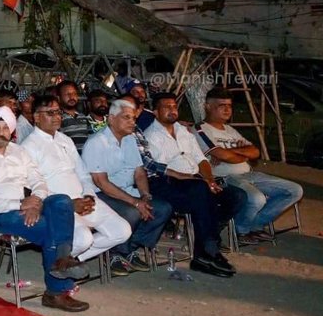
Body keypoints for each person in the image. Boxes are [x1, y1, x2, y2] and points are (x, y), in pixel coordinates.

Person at [0, 108, 90, 312]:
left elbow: (38, 180)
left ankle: (61, 260)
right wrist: (21, 204)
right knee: (49, 228)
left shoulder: (19, 151)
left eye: (5, 127)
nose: (0, 132)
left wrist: (36, 201)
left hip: (27, 204)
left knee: (62, 201)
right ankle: (56, 290)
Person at [21, 95, 131, 272]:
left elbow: (82, 173)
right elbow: (34, 187)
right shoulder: (28, 147)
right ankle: (62, 263)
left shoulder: (65, 140)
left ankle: (67, 261)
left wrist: (88, 195)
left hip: (83, 199)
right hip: (60, 207)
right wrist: (70, 205)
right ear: (36, 117)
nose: (57, 116)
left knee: (122, 231)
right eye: (50, 112)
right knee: (84, 239)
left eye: (58, 112)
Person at [144, 93, 246, 277]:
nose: (172, 110)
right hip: (168, 184)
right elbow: (162, 170)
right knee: (201, 193)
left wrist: (209, 180)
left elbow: (201, 159)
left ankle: (206, 242)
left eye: (174, 107)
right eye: (166, 107)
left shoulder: (183, 131)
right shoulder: (150, 136)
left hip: (196, 181)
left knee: (236, 196)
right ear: (155, 112)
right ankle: (208, 251)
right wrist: (200, 182)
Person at [198, 86, 303, 242]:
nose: (227, 109)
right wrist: (238, 152)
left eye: (229, 106)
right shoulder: (200, 130)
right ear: (208, 106)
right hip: (226, 177)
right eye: (222, 106)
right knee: (256, 198)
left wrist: (232, 152)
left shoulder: (230, 130)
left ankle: (254, 225)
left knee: (294, 190)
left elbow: (255, 152)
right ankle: (242, 230)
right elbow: (225, 156)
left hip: (249, 174)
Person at [81, 99, 173, 273]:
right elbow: (101, 182)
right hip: (102, 194)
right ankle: (115, 252)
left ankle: (130, 247)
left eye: (133, 118)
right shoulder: (97, 142)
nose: (133, 122)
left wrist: (145, 196)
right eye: (127, 118)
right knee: (133, 211)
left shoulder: (129, 140)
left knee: (162, 209)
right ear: (111, 119)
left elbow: (139, 172)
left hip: (127, 192)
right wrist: (135, 202)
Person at [55, 80, 93, 153]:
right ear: (59, 98)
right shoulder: (57, 118)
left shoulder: (83, 117)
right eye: (67, 94)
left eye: (74, 93)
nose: (72, 97)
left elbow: (91, 137)